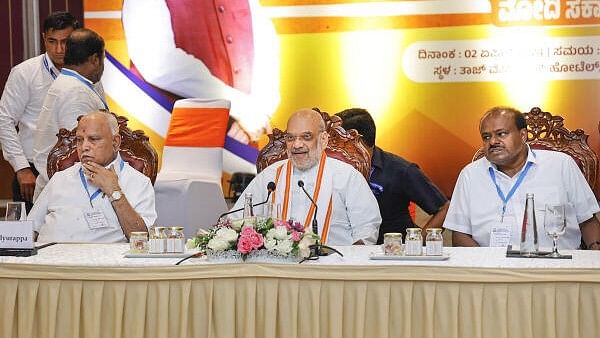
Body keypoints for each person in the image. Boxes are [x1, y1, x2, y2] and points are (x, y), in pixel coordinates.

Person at [443, 106, 600, 250]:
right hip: (493, 271)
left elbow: (587, 220)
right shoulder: (470, 175)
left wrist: (594, 256)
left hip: (558, 266)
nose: (493, 142)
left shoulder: (560, 165)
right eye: (486, 137)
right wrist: (487, 264)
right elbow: (460, 234)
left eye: (501, 134)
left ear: (523, 135)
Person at [121, 0, 279, 142]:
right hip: (174, 138)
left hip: (244, 135)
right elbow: (157, 63)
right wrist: (243, 109)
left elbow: (266, 45)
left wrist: (260, 111)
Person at [231, 108, 382, 245]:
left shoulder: (347, 176)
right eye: (290, 138)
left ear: (323, 140)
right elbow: (235, 220)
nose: (297, 145)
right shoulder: (269, 176)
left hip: (332, 266)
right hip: (278, 268)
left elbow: (367, 227)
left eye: (306, 137)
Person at [28, 111, 156, 242]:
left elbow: (142, 239)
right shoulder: (59, 178)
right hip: (47, 258)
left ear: (115, 142)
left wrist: (115, 191)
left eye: (93, 139)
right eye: (79, 140)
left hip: (100, 260)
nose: (84, 147)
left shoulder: (138, 182)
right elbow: (28, 229)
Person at [0, 12, 80, 211]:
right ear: (44, 38)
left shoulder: (85, 70)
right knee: (28, 240)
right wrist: (22, 168)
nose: (59, 49)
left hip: (78, 169)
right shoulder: (25, 73)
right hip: (32, 172)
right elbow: (4, 120)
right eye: (52, 41)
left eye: (65, 41)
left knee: (71, 236)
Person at [336, 108, 449, 244]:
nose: (331, 146)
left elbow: (444, 209)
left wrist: (416, 243)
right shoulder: (332, 169)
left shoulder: (400, 170)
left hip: (392, 254)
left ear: (357, 141)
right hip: (344, 252)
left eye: (337, 141)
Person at [32, 28, 107, 199]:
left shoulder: (70, 84)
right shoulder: (76, 92)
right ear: (95, 59)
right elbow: (79, 152)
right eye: (103, 59)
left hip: (64, 189)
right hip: (68, 194)